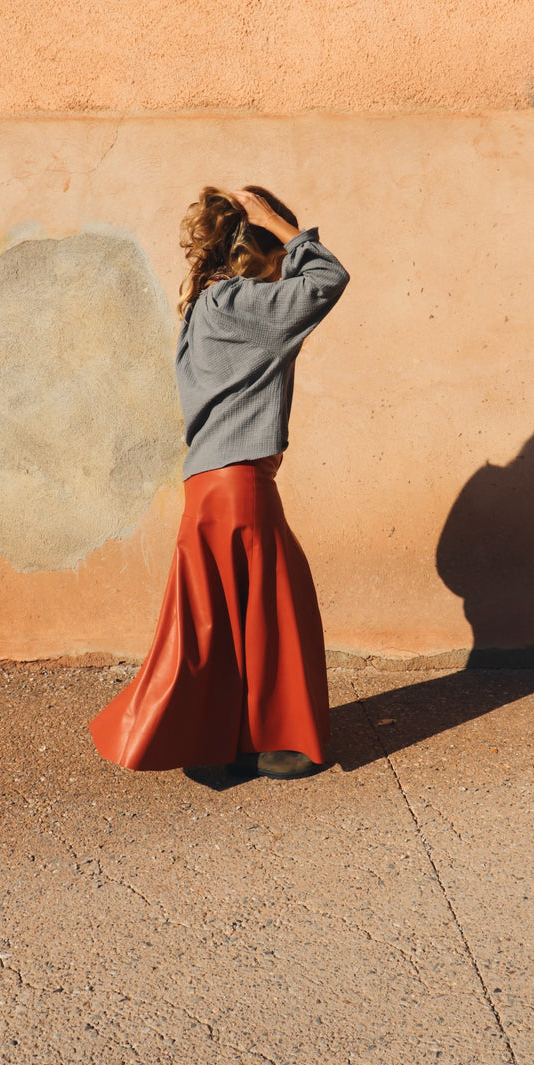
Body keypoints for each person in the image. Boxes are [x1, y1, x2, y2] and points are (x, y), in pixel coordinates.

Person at [89, 185, 349, 779]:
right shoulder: (242, 302)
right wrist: (286, 226)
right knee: (275, 610)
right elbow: (327, 279)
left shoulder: (205, 308)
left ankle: (223, 735)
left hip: (208, 483)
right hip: (240, 482)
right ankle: (283, 739)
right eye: (278, 247)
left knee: (220, 615)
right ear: (257, 247)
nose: (288, 259)